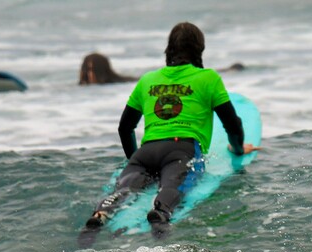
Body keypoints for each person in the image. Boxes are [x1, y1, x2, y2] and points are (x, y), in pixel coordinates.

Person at [81, 22, 257, 237]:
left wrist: (134, 160)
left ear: (169, 48)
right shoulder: (208, 78)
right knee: (172, 187)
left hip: (146, 152)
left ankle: (101, 213)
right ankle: (160, 212)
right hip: (181, 150)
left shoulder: (148, 80)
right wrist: (237, 149)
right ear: (199, 49)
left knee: (123, 190)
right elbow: (232, 123)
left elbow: (125, 127)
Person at [79, 52, 244, 85]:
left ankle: (228, 69)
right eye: (87, 70)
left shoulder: (115, 83)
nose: (89, 74)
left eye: (92, 70)